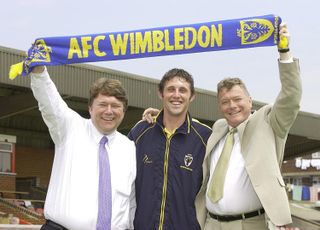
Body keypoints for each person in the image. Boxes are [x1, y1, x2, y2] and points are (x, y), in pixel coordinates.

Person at [194, 23, 302, 230]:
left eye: (237, 99)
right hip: (210, 224)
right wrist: (160, 117)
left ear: (250, 101)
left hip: (250, 224)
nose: (232, 106)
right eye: (225, 102)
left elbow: (291, 96)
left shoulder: (269, 122)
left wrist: (284, 52)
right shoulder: (218, 129)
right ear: (219, 106)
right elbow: (191, 126)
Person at [30, 66, 136, 230]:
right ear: (90, 108)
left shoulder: (130, 148)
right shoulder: (69, 128)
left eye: (115, 106)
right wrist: (39, 71)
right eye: (102, 104)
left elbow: (131, 202)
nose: (109, 111)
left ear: (124, 111)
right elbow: (49, 101)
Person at [128, 68, 212, 230]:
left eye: (183, 90)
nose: (176, 95)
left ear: (192, 96)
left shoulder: (206, 137)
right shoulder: (140, 132)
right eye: (170, 89)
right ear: (161, 93)